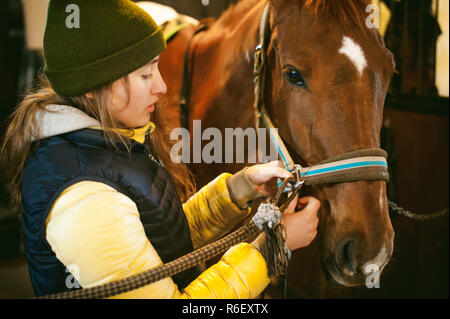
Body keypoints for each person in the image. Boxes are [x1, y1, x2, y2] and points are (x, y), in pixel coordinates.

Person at [0, 0, 320, 298]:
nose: (161, 86)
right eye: (145, 74)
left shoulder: (111, 141)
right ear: (97, 86)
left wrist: (240, 188)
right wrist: (271, 250)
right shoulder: (85, 195)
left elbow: (167, 241)